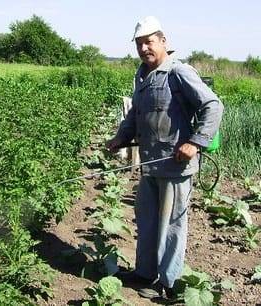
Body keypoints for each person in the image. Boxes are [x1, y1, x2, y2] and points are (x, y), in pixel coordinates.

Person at [106, 16, 223, 299]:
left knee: (171, 227)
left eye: (149, 42)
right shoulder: (142, 75)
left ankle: (168, 284)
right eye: (139, 44)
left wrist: (195, 142)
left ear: (162, 41)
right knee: (145, 221)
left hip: (175, 166)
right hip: (149, 165)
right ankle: (144, 273)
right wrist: (121, 136)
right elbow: (136, 112)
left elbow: (212, 105)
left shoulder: (178, 72)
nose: (144, 48)